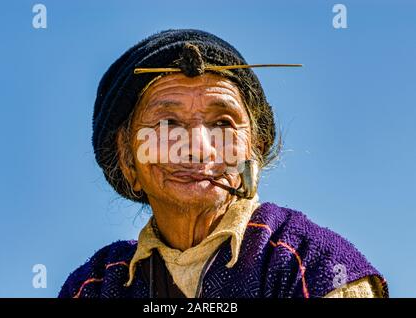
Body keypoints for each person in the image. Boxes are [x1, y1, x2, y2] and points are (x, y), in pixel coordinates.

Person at [59, 29, 388, 298]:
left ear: (253, 152)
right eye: (167, 124)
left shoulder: (314, 266)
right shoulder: (96, 286)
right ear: (128, 159)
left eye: (222, 124)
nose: (198, 149)